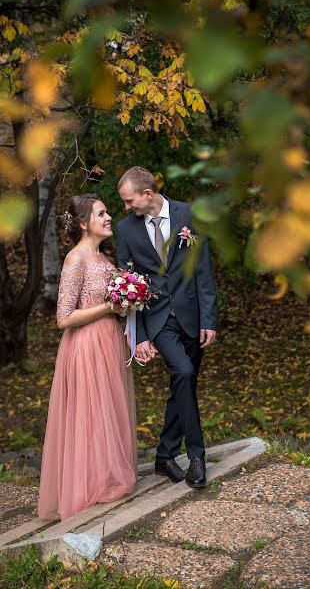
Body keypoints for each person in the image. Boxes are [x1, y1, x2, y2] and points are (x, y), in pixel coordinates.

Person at [116, 167, 218, 489]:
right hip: (158, 319)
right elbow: (127, 285)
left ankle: (164, 456)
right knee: (185, 374)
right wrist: (140, 337)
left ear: (147, 194)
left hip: (192, 315)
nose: (127, 207)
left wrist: (208, 320)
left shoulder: (189, 214)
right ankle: (197, 456)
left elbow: (203, 269)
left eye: (130, 200)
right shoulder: (126, 229)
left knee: (183, 383)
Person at [38, 193, 137, 521]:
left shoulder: (107, 260)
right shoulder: (75, 259)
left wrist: (125, 304)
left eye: (107, 212)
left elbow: (112, 304)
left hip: (109, 341)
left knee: (107, 411)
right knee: (89, 414)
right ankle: (84, 488)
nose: (109, 217)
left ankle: (104, 478)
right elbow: (63, 318)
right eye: (101, 213)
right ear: (84, 224)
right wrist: (110, 307)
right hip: (85, 346)